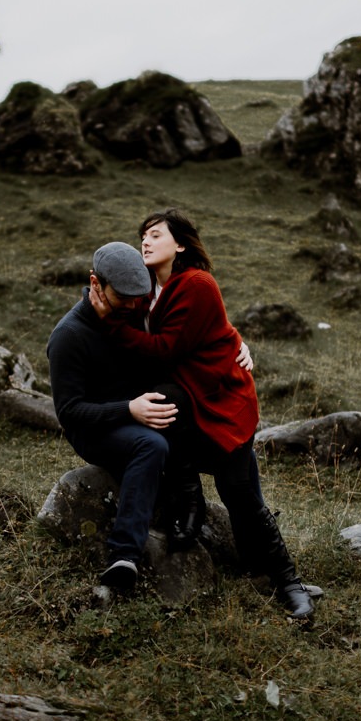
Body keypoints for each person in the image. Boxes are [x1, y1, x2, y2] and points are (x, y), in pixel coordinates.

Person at [89, 209, 316, 620]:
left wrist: (111, 325)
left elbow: (164, 350)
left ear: (179, 244)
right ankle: (189, 492)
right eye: (142, 235)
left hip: (222, 401)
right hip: (191, 397)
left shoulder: (196, 283)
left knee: (240, 494)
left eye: (155, 235)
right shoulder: (145, 292)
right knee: (162, 400)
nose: (145, 241)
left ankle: (289, 582)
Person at [45, 241, 175, 594]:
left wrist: (235, 343)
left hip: (132, 411)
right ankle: (124, 556)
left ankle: (187, 506)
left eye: (139, 296)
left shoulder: (127, 312)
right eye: (125, 297)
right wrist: (128, 409)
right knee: (150, 445)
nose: (134, 305)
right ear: (95, 283)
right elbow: (69, 412)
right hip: (93, 429)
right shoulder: (68, 336)